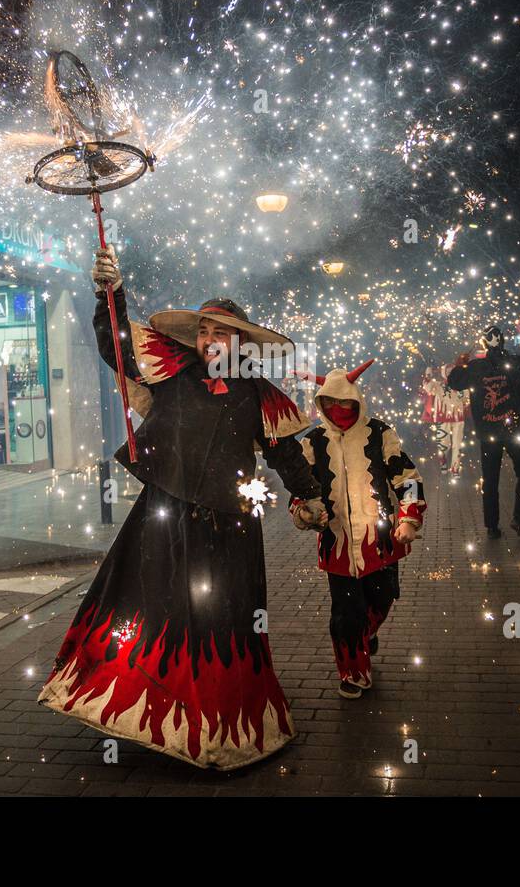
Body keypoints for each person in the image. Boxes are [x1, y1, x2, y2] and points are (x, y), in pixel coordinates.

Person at [38, 247, 327, 770]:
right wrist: (111, 291)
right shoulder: (172, 373)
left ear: (240, 342)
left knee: (221, 624)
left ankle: (220, 728)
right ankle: (151, 714)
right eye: (204, 333)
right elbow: (118, 345)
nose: (210, 341)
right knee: (152, 612)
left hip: (231, 529)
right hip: (163, 517)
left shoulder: (262, 395)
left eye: (220, 333)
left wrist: (308, 496)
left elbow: (286, 453)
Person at [290, 360, 425, 698]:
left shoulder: (380, 433)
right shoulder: (313, 442)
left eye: (344, 401)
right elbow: (301, 491)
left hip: (380, 540)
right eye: (330, 403)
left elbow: (407, 479)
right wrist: (304, 513)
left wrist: (408, 519)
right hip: (337, 543)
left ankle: (366, 632)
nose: (338, 409)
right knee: (346, 616)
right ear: (321, 404)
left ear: (356, 399)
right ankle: (353, 672)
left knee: (382, 598)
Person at [447, 324, 520, 539]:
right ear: (503, 341)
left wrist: (460, 365)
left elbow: (455, 383)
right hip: (517, 430)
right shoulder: (517, 364)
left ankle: (492, 526)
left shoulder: (476, 367)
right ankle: (519, 518)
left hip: (489, 433)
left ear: (484, 343)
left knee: (490, 479)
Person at [436, 363, 468, 474]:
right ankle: (443, 462)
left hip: (458, 418)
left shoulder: (462, 386)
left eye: (452, 371)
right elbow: (428, 387)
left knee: (457, 444)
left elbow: (466, 397)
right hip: (443, 418)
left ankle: (455, 468)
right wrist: (428, 374)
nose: (450, 374)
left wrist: (460, 393)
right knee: (443, 442)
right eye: (448, 372)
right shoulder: (439, 385)